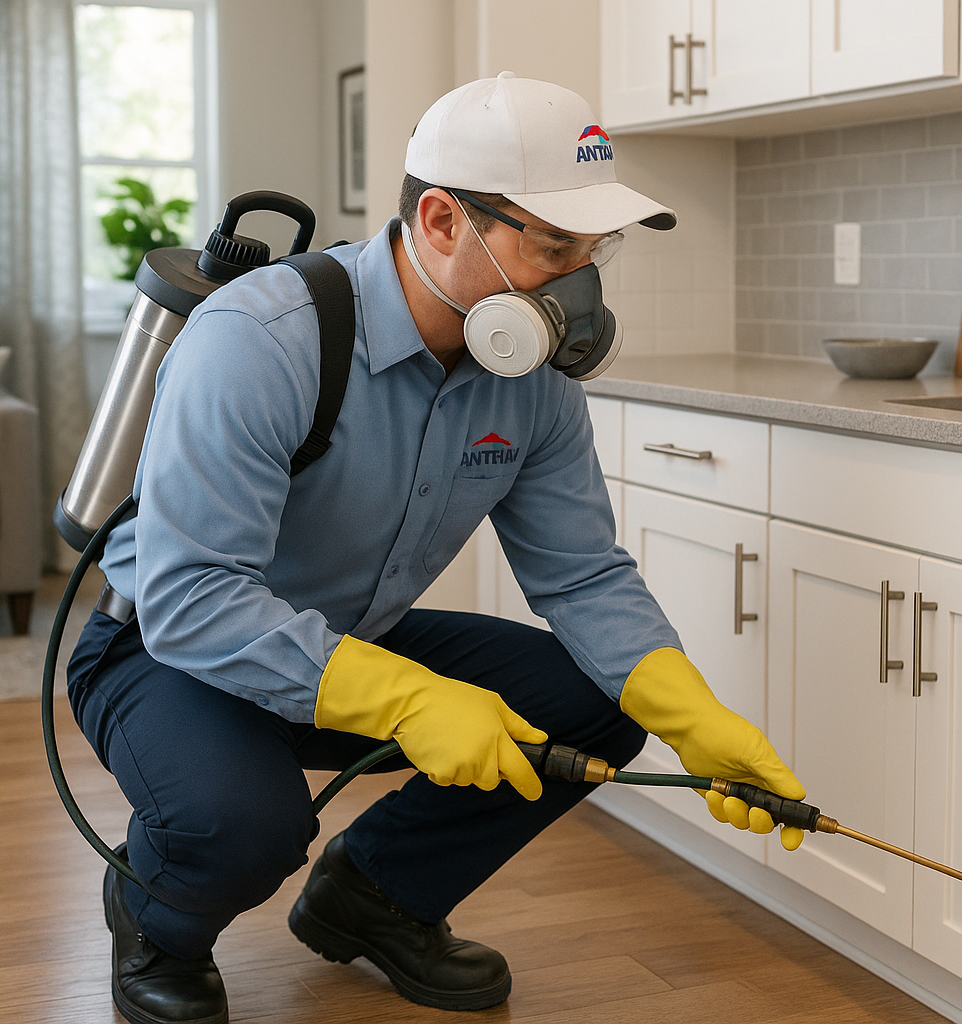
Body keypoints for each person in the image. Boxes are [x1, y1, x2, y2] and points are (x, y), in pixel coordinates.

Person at [67, 73, 804, 1024]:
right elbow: (192, 597)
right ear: (445, 220)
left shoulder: (529, 380)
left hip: (346, 639)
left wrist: (695, 718)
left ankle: (374, 895)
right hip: (169, 651)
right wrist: (412, 698)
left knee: (594, 700)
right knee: (243, 823)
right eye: (552, 244)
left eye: (594, 249)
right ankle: (155, 918)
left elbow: (581, 573)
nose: (580, 281)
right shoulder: (258, 341)